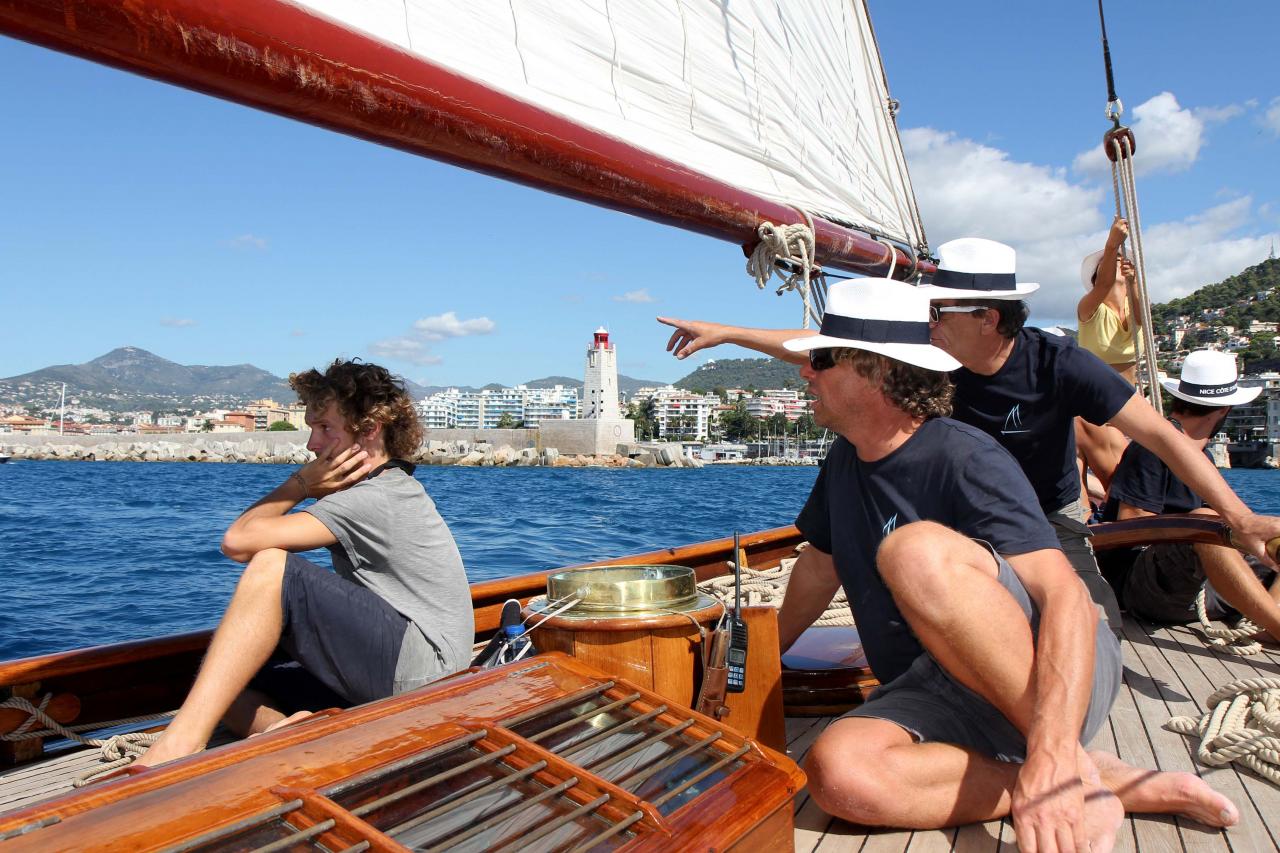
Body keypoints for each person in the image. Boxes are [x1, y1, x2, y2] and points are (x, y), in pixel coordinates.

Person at [756, 278, 1236, 848]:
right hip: (936, 687)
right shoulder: (844, 461)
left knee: (913, 551)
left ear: (877, 371)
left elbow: (1067, 599)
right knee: (838, 774)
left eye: (821, 358)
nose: (805, 371)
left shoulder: (965, 456)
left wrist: (1054, 748)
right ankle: (1090, 777)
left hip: (1045, 673)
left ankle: (1058, 762)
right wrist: (748, 666)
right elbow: (818, 568)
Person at [660, 238, 1280, 635]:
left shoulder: (1058, 365)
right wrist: (726, 331)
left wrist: (1239, 517)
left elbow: (1165, 438)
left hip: (1048, 514)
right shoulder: (932, 360)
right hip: (951, 516)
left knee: (1095, 632)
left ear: (986, 318)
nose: (924, 323)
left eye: (937, 312)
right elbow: (838, 351)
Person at [137, 359, 473, 767]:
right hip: (411, 667)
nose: (311, 444)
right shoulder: (382, 488)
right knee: (223, 681)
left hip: (426, 674)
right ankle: (289, 733)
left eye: (325, 427)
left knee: (272, 566)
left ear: (369, 430)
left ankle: (179, 747)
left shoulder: (374, 497)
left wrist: (301, 483)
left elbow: (238, 542)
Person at [1099, 350, 1280, 636]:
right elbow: (1129, 523)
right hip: (1144, 588)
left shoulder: (1201, 459)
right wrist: (1195, 526)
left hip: (1200, 585)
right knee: (1205, 522)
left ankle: (1269, 615)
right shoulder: (1151, 448)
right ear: (1224, 410)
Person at [1078, 217, 1142, 383]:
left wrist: (1134, 281)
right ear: (1095, 277)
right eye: (1107, 262)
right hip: (1094, 404)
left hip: (1130, 401)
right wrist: (1111, 245)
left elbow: (1143, 319)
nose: (1117, 259)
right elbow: (1104, 286)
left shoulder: (1134, 305)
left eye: (1120, 258)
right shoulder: (1088, 308)